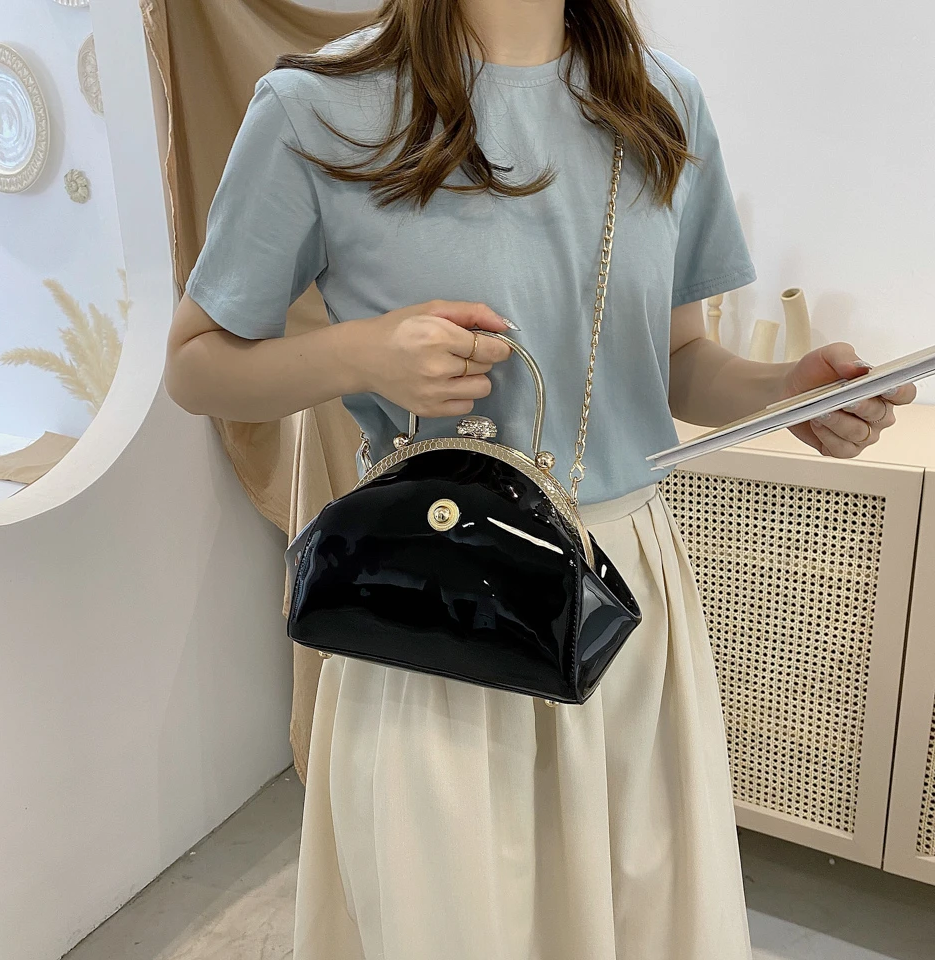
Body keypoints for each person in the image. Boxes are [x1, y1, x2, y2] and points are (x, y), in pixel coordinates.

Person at [163, 2, 915, 957]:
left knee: (637, 915)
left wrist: (782, 393)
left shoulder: (661, 103)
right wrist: (364, 354)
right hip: (438, 598)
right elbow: (196, 366)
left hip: (622, 595)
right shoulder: (321, 108)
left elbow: (678, 359)